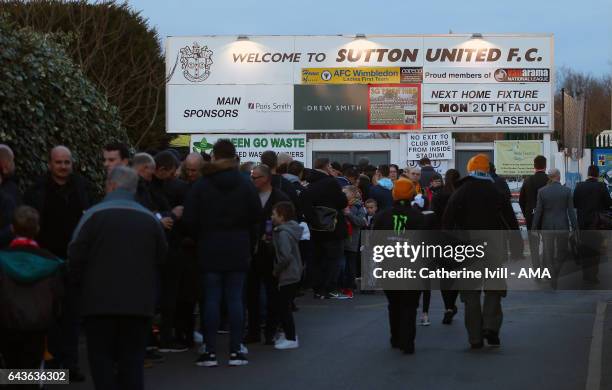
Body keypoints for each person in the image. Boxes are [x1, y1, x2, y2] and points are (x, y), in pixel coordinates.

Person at [68, 166, 168, 390]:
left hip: (98, 304)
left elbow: (74, 256)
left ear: (110, 185)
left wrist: (78, 289)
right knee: (132, 362)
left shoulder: (92, 216)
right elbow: (162, 257)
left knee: (101, 361)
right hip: (138, 305)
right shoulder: (150, 220)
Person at [183, 139, 262, 367]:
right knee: (236, 299)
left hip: (209, 245)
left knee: (211, 299)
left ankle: (209, 350)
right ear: (234, 156)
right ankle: (236, 350)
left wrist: (200, 237)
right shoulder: (245, 184)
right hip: (238, 246)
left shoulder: (202, 184)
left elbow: (190, 218)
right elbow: (256, 215)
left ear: (214, 156)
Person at [24, 145, 92, 381]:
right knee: (49, 313)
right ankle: (53, 362)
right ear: (50, 164)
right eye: (58, 162)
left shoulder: (82, 187)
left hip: (74, 260)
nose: (63, 167)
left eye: (67, 162)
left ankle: (70, 363)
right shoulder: (37, 190)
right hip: (46, 260)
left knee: (73, 313)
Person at [442, 154, 519, 349]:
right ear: (487, 170)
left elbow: (447, 222)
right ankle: (491, 327)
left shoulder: (460, 192)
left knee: (470, 294)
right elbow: (510, 220)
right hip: (493, 246)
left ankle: (475, 337)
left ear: (470, 169)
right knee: (494, 289)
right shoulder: (496, 190)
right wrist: (517, 247)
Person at [0, 206, 64, 387]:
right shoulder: (50, 262)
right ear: (37, 229)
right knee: (33, 372)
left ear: (12, 228)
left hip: (7, 325)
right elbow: (58, 296)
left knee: (11, 371)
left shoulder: (2, 259)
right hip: (38, 326)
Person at [373, 178, 425, 354]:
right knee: (410, 305)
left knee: (394, 304)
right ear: (411, 195)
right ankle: (407, 341)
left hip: (389, 266)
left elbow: (374, 243)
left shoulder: (382, 216)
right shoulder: (419, 217)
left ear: (394, 194)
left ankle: (395, 337)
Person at [245, 164, 290, 345]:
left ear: (266, 178)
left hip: (271, 251)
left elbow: (287, 221)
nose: (252, 180)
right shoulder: (249, 196)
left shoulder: (279, 197)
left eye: (255, 177)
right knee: (251, 293)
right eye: (251, 177)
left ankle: (271, 329)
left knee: (272, 291)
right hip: (251, 250)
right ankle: (253, 330)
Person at [300, 157, 348, 299]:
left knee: (317, 259)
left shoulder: (309, 184)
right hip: (332, 227)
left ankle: (317, 289)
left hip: (315, 228)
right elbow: (342, 201)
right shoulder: (331, 183)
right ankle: (329, 288)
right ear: (327, 166)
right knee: (333, 259)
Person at [532, 169, 577, 289]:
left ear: (549, 177)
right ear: (558, 176)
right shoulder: (567, 191)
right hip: (563, 226)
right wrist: (575, 228)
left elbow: (538, 211)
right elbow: (571, 212)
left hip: (547, 227)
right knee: (562, 252)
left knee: (549, 253)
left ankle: (552, 275)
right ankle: (555, 272)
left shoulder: (542, 191)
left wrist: (534, 228)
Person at [270, 201, 303, 350]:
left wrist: (276, 269)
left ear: (282, 216)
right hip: (294, 272)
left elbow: (285, 256)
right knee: (283, 305)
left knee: (284, 307)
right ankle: (286, 334)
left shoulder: (282, 233)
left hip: (287, 274)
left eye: (274, 214)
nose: (272, 217)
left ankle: (290, 336)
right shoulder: (290, 230)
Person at [431, 169, 461, 324]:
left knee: (444, 275)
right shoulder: (461, 195)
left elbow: (433, 217)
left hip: (441, 238)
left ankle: (448, 306)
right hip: (458, 238)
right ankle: (452, 303)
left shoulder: (438, 196)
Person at [573, 165, 612, 283]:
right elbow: (608, 204)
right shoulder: (601, 186)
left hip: (582, 223)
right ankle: (593, 276)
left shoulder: (579, 186)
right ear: (597, 174)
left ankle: (585, 274)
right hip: (597, 224)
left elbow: (574, 203)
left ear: (588, 173)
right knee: (595, 250)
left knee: (584, 249)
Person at [519, 155, 549, 270]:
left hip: (531, 216)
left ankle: (536, 270)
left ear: (534, 166)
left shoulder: (528, 181)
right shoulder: (549, 180)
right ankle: (545, 267)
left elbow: (521, 200)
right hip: (547, 217)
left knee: (533, 245)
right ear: (545, 166)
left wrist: (527, 213)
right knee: (547, 244)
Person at [341, 185, 368, 299]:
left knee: (350, 265)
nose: (342, 195)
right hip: (341, 238)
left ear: (352, 194)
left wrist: (348, 214)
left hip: (352, 240)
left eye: (345, 193)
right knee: (341, 264)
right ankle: (341, 286)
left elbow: (361, 222)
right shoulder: (341, 205)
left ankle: (349, 287)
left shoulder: (358, 206)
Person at [260, 151, 300, 215]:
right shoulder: (287, 184)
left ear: (261, 164)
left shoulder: (255, 184)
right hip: (282, 221)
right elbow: (295, 208)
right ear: (277, 164)